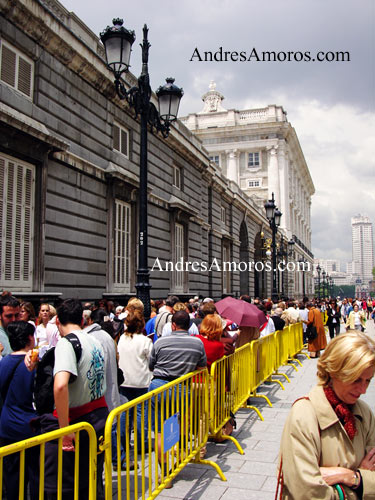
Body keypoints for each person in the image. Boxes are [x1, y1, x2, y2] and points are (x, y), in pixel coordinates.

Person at [26, 298, 108, 500]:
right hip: (97, 418)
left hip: (76, 422)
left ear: (56, 322)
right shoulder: (95, 340)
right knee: (89, 479)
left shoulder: (66, 343)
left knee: (64, 486)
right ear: (82, 319)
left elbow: (61, 385)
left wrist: (64, 431)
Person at [278, 331, 375, 499]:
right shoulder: (304, 415)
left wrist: (350, 477)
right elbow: (307, 493)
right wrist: (360, 484)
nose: (363, 390)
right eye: (356, 380)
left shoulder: (364, 413)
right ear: (334, 371)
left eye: (368, 380)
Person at [0, 321, 39, 500]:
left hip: (7, 425)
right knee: (36, 477)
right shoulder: (34, 363)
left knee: (12, 478)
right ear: (30, 338)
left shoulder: (4, 362)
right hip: (31, 426)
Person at [117, 309, 153, 464]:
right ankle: (141, 444)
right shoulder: (145, 341)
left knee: (125, 415)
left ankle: (124, 445)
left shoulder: (121, 339)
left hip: (124, 381)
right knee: (141, 414)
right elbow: (151, 362)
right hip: (141, 382)